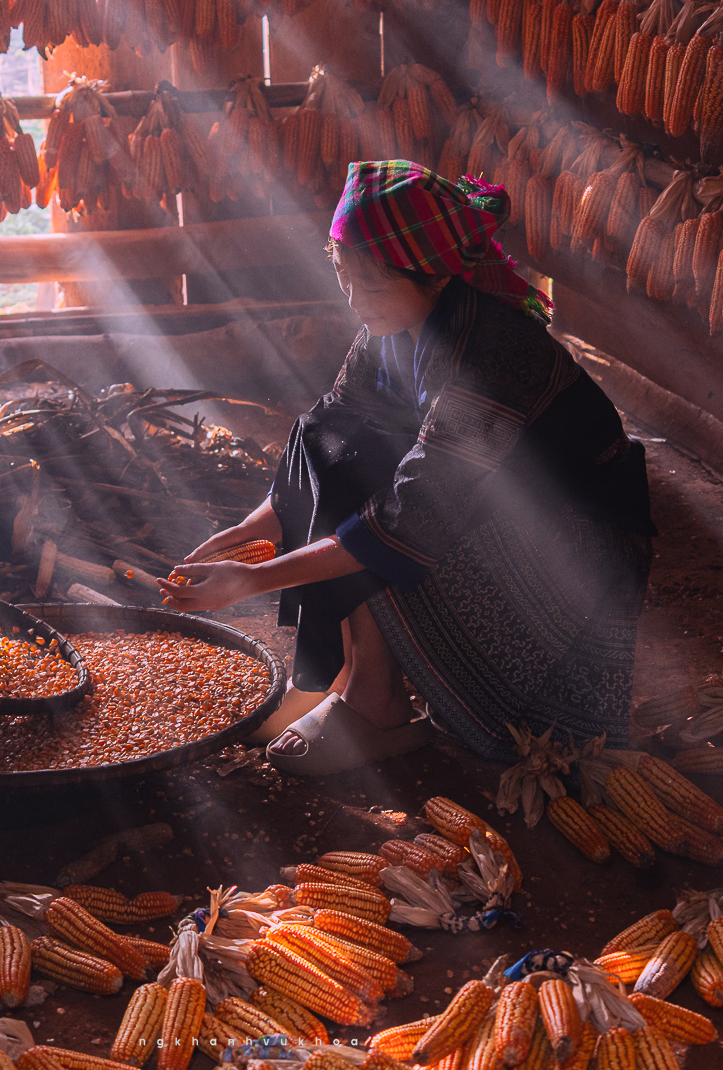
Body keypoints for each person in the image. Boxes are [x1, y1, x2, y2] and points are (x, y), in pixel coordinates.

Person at [159, 161, 655, 775]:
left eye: (372, 285)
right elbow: (322, 441)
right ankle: (346, 678)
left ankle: (375, 699)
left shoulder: (494, 353)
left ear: (438, 280)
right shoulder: (392, 326)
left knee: (382, 503)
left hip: (572, 549)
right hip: (487, 506)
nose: (354, 300)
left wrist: (255, 581)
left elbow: (412, 514)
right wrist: (245, 533)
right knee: (330, 439)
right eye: (344, 277)